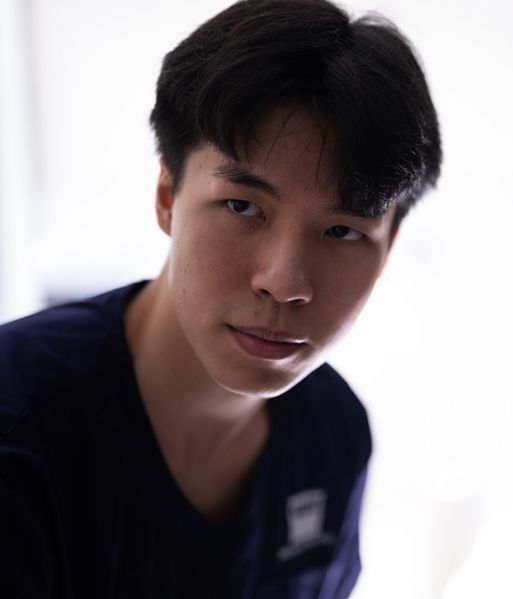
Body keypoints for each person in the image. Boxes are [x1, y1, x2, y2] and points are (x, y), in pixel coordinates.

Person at [0, 1, 441, 597]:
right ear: (166, 196)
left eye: (343, 232)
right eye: (242, 206)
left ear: (387, 249)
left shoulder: (334, 436)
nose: (285, 283)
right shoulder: (21, 423)